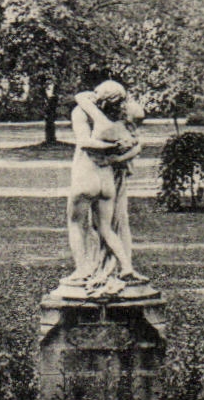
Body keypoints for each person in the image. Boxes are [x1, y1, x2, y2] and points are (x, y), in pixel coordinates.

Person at [62, 80, 148, 295]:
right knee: (108, 227)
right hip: (108, 179)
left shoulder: (90, 117)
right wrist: (116, 153)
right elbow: (137, 142)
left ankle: (82, 270)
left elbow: (84, 141)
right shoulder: (119, 122)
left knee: (75, 223)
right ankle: (126, 266)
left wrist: (106, 146)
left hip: (86, 175)